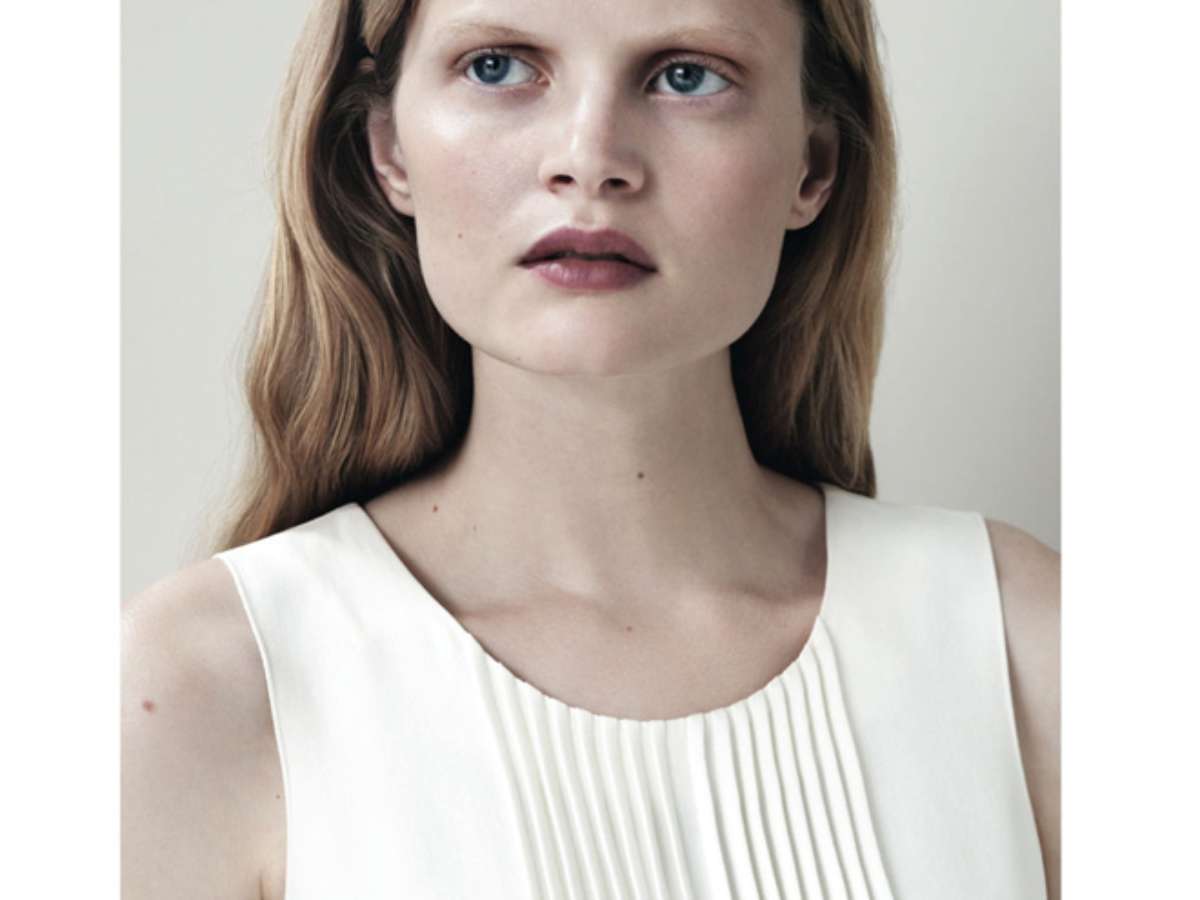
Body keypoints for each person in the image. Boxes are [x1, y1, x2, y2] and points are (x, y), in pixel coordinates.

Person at [122, 0, 1060, 897]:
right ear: (387, 149)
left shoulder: (1029, 647)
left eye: (687, 76)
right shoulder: (199, 688)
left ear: (814, 165)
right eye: (498, 66)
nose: (590, 158)